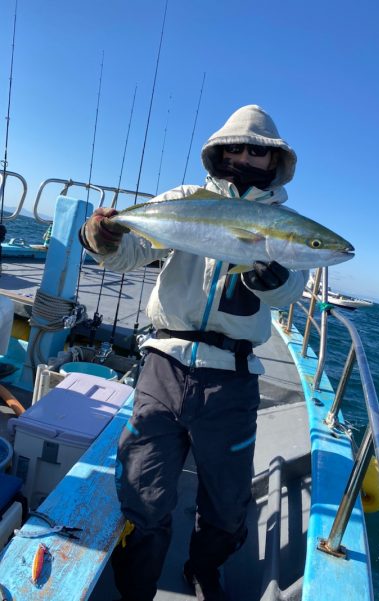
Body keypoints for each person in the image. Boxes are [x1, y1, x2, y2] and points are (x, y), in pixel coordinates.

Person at [80, 105, 306, 601]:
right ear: (222, 151)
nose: (248, 157)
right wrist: (100, 238)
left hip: (233, 376)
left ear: (275, 163)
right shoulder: (185, 199)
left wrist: (277, 279)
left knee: (227, 505)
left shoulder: (283, 224)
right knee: (143, 490)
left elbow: (290, 290)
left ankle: (205, 569)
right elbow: (131, 251)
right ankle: (135, 588)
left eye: (261, 152)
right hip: (164, 364)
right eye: (240, 147)